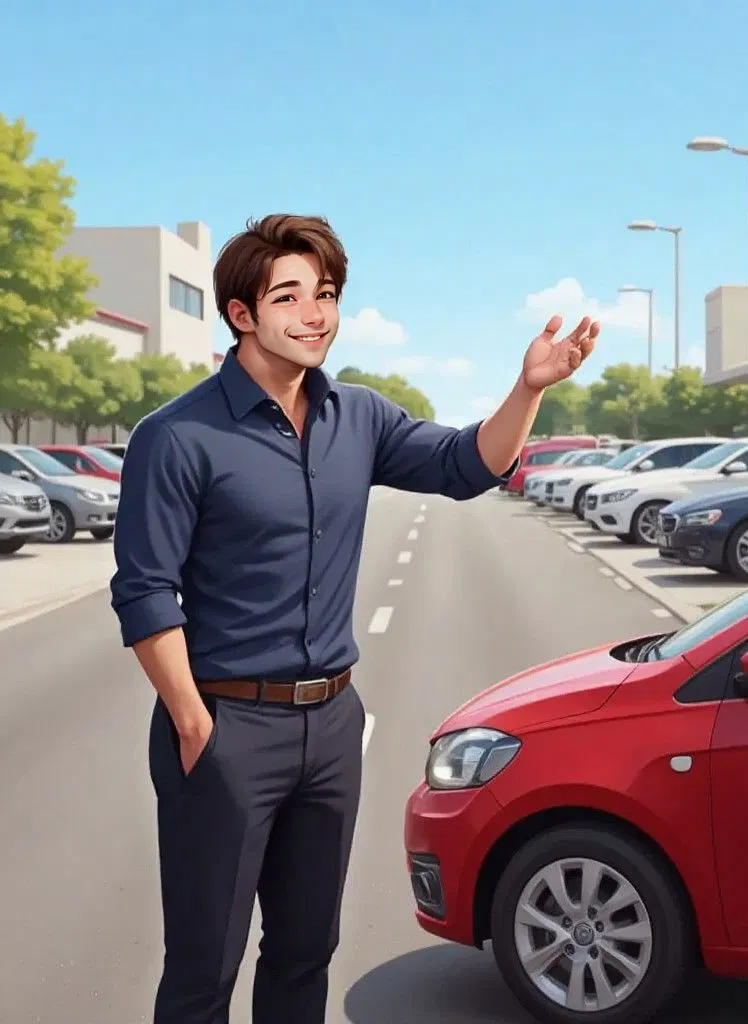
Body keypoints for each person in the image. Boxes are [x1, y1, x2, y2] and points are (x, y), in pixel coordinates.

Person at [109, 212, 599, 1024]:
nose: (316, 315)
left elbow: (465, 466)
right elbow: (145, 592)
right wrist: (196, 724)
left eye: (327, 295)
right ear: (242, 314)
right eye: (291, 296)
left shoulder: (358, 416)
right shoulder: (178, 437)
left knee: (305, 952)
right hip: (227, 726)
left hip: (332, 727)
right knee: (205, 965)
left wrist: (530, 388)